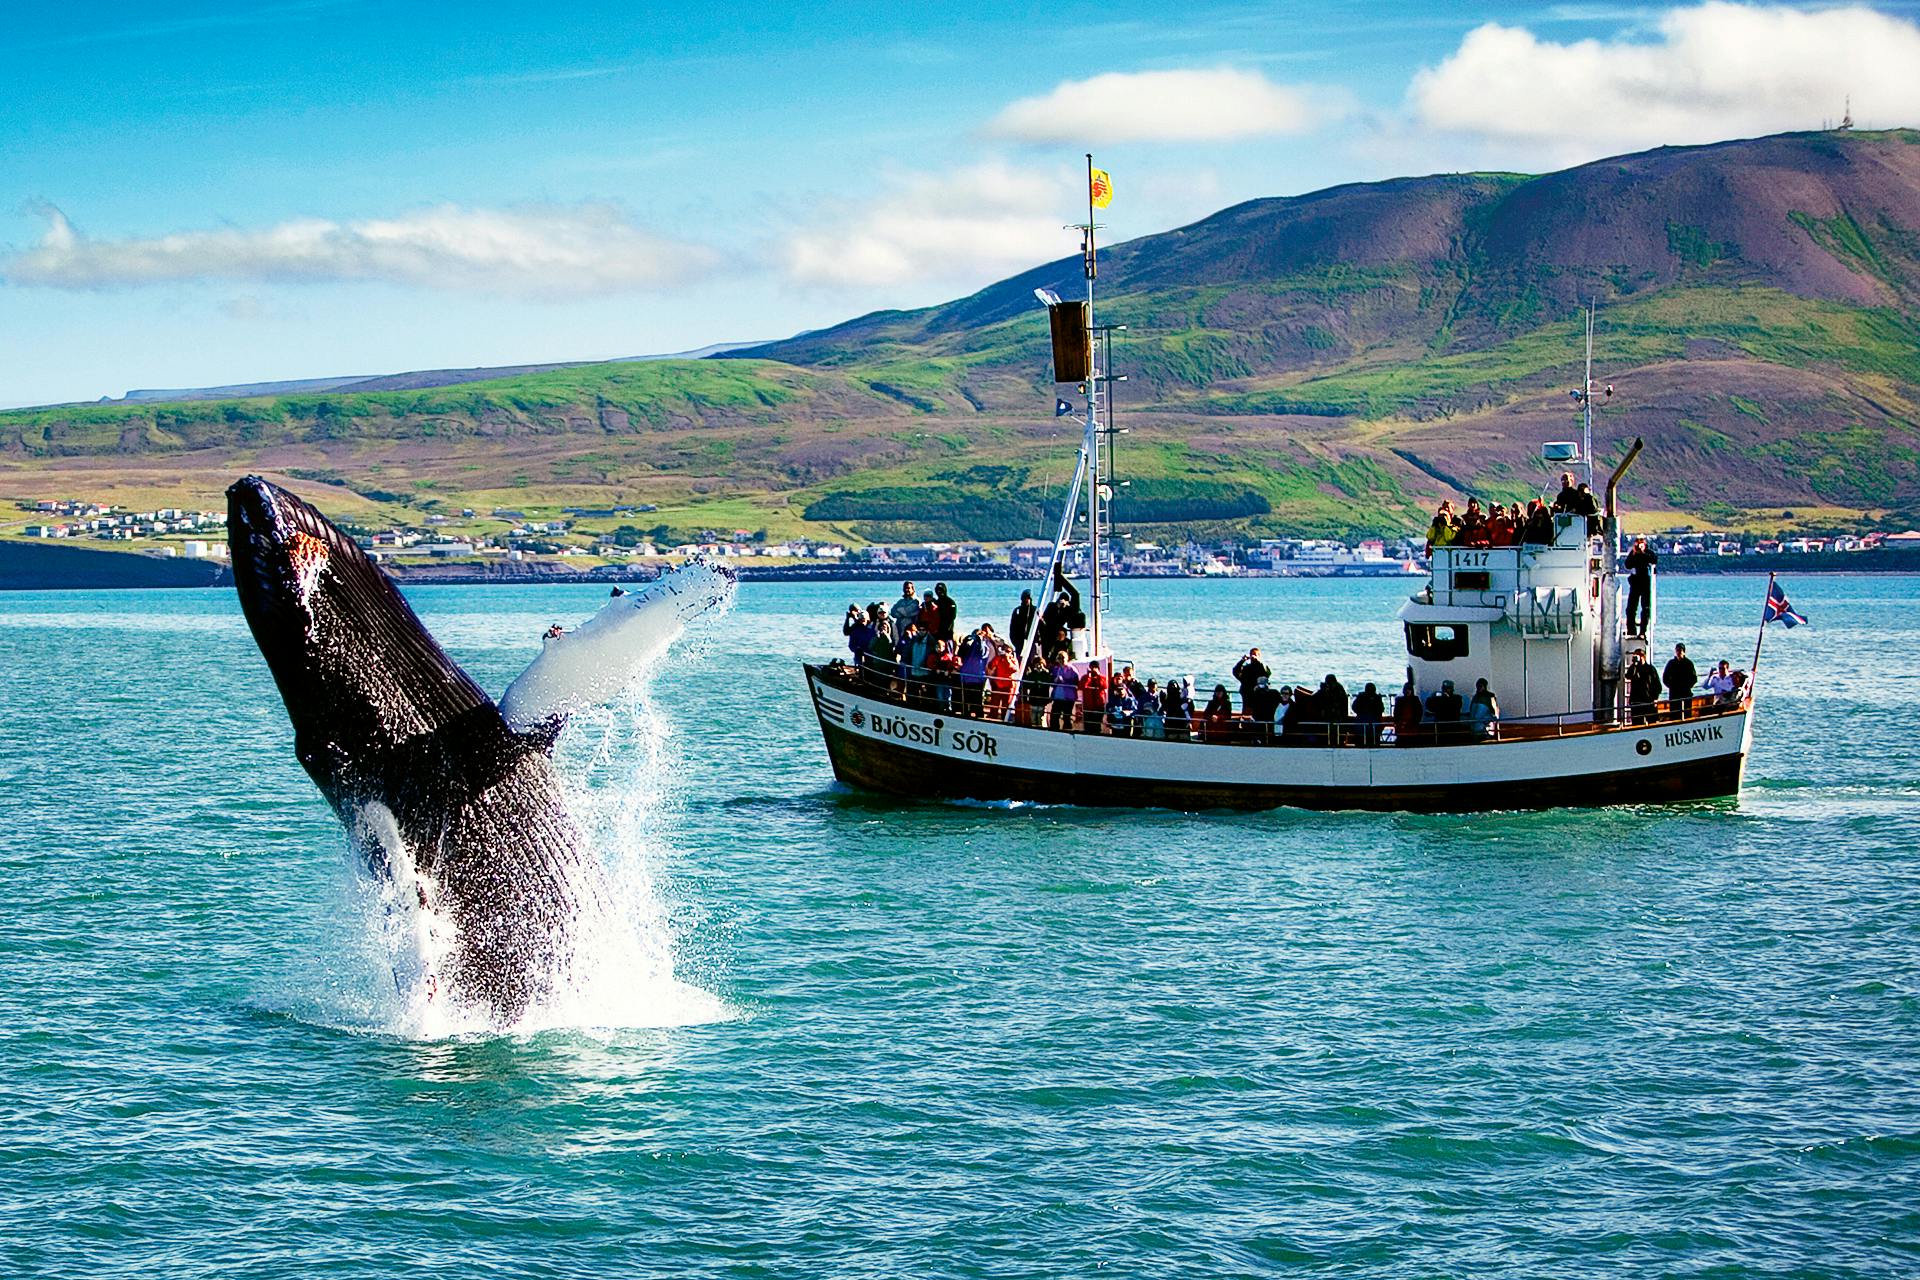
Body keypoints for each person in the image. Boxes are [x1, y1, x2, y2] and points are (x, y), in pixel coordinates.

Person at [1624, 537, 1658, 636]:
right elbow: (1628, 565)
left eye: (1641, 543)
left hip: (1645, 582)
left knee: (1645, 608)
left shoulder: (1649, 552)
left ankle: (1643, 631)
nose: (1639, 546)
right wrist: (1635, 554)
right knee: (1631, 609)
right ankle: (1631, 630)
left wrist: (1643, 553)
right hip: (1635, 582)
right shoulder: (1633, 553)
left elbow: (1654, 560)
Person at [957, 626, 989, 717]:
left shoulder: (985, 646)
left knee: (977, 700)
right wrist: (965, 642)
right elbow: (960, 654)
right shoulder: (968, 647)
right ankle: (966, 715)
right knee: (966, 699)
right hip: (966, 677)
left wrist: (980, 641)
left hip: (977, 678)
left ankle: (979, 717)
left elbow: (982, 653)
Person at [1662, 642, 1697, 721]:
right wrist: (1672, 686)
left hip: (1686, 693)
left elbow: (1694, 678)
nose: (1679, 652)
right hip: (1674, 693)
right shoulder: (1671, 663)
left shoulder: (1688, 663)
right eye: (1677, 650)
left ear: (1684, 652)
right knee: (1674, 714)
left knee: (1687, 714)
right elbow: (1665, 678)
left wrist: (1687, 686)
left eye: (1680, 650)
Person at [1232, 647, 1272, 713]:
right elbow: (1236, 672)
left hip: (1260, 698)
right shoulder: (1246, 669)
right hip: (1247, 697)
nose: (1253, 657)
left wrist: (1259, 661)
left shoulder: (1262, 668)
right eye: (1252, 655)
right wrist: (1242, 661)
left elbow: (1267, 673)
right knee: (1246, 717)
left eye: (1255, 655)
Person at [985, 640, 1017, 721]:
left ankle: (1004, 718)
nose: (1006, 652)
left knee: (1006, 705)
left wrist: (1008, 659)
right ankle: (993, 716)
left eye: (1008, 651)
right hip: (998, 684)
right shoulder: (999, 658)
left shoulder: (1013, 660)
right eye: (1004, 650)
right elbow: (991, 666)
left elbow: (1013, 669)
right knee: (995, 702)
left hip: (1008, 685)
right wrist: (998, 660)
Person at [1626, 651, 1661, 725]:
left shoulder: (1650, 669)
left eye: (1638, 656)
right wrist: (1634, 665)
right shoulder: (1634, 668)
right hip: (1636, 701)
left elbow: (1657, 685)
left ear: (1643, 657)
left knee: (1652, 722)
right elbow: (1628, 676)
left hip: (1649, 700)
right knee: (1637, 723)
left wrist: (1655, 698)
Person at [927, 638, 961, 712]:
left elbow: (951, 665)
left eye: (940, 647)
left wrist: (948, 671)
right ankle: (941, 707)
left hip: (947, 679)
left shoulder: (947, 656)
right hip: (938, 679)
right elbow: (930, 664)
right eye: (937, 647)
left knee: (948, 694)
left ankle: (949, 707)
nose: (938, 649)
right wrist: (935, 669)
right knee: (940, 694)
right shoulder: (933, 656)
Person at [1049, 652, 1080, 731]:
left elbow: (1076, 682)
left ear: (1067, 658)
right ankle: (1054, 730)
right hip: (1058, 697)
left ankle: (1067, 731)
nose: (1061, 660)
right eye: (1059, 658)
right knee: (1054, 715)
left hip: (1068, 697)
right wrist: (1055, 681)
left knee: (1067, 716)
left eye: (1063, 658)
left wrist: (1064, 681)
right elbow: (1052, 683)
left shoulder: (1072, 669)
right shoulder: (1056, 669)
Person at [1019, 653, 1052, 728]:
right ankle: (1034, 728)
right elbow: (1027, 686)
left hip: (1042, 700)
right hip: (1033, 699)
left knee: (1041, 718)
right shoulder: (1031, 674)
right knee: (1033, 718)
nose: (1039, 666)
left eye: (1040, 664)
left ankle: (1042, 730)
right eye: (1037, 664)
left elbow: (1049, 685)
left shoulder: (1046, 674)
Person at [1078, 662, 1110, 732]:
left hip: (1098, 706)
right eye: (1091, 667)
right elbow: (1081, 687)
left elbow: (1104, 686)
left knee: (1097, 725)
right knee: (1087, 726)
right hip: (1088, 706)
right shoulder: (1085, 678)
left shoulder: (1103, 678)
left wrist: (1097, 676)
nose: (1092, 669)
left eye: (1094, 667)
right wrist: (1088, 677)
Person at [1353, 681, 1386, 746]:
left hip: (1361, 723)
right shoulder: (1377, 698)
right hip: (1373, 723)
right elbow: (1381, 709)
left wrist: (1360, 712)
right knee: (1374, 742)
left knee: (1360, 742)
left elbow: (1354, 707)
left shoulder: (1361, 696)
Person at [888, 581, 920, 648]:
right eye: (905, 588)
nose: (906, 590)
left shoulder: (916, 601)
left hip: (910, 631)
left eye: (908, 588)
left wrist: (899, 610)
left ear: (913, 589)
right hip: (899, 630)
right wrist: (903, 612)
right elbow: (892, 612)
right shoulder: (901, 601)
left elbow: (907, 612)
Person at [1161, 678, 1192, 742]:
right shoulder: (1168, 699)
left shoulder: (1182, 698)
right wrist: (1162, 700)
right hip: (1171, 727)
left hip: (1182, 726)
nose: (1172, 690)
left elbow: (1190, 708)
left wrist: (1189, 701)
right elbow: (1164, 708)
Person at [1392, 679, 1422, 745]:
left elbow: (1419, 712)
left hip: (1412, 725)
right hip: (1402, 725)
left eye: (1409, 690)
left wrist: (1414, 722)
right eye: (1406, 690)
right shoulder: (1400, 701)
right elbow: (1396, 713)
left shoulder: (1415, 700)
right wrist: (1398, 722)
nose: (1407, 691)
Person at [1009, 589, 1037, 657]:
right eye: (1024, 598)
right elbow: (1012, 628)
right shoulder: (1017, 610)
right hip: (1019, 641)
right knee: (1020, 658)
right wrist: (1015, 641)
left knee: (1031, 659)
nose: (1026, 600)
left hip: (1032, 640)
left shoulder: (1035, 610)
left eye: (1027, 598)